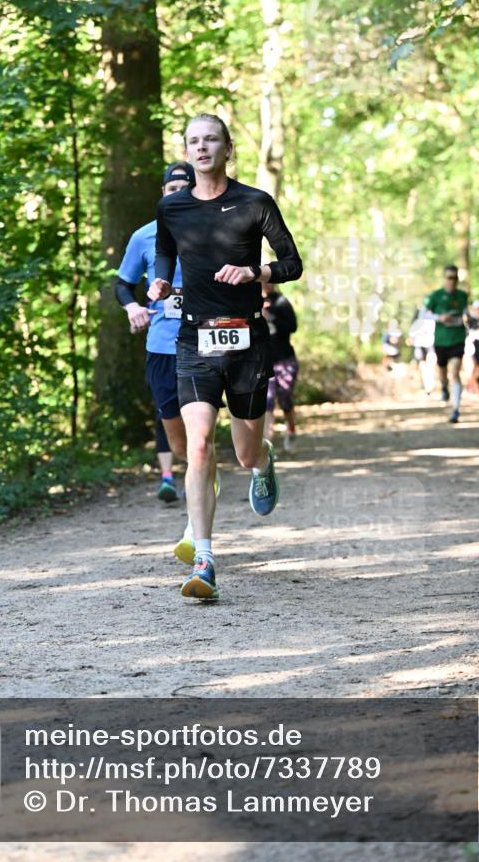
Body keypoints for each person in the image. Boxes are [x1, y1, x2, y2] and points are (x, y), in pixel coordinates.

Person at [148, 113, 303, 601]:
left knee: (243, 452)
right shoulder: (171, 207)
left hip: (247, 342)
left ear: (227, 147)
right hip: (193, 341)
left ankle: (263, 462)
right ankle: (205, 558)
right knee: (197, 447)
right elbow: (165, 253)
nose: (201, 148)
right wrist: (159, 280)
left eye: (210, 139)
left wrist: (256, 271)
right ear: (187, 149)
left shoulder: (254, 202)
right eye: (193, 141)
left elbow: (293, 263)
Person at [115, 162, 194, 506]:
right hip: (163, 345)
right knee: (178, 439)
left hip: (206, 342)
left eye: (185, 187)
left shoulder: (217, 230)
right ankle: (193, 470)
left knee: (202, 431)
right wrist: (132, 307)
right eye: (171, 189)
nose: (178, 194)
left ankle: (200, 503)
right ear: (162, 194)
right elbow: (123, 285)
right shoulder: (143, 236)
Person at [422, 264, 469, 423]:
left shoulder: (463, 295)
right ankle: (444, 386)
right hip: (441, 340)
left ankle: (455, 409)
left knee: (455, 372)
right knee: (443, 372)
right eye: (449, 278)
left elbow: (466, 313)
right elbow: (423, 314)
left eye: (455, 278)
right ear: (444, 278)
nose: (452, 281)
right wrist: (439, 318)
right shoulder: (435, 296)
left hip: (458, 338)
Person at [261, 284, 299, 451]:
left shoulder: (281, 301)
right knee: (267, 401)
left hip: (285, 359)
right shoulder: (252, 299)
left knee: (284, 397)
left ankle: (291, 428)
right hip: (264, 361)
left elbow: (293, 326)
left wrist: (270, 316)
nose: (266, 283)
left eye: (269, 280)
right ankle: (268, 445)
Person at [407, 307, 436, 395]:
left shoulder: (433, 321)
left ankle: (429, 385)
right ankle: (427, 386)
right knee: (424, 367)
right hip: (420, 346)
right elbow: (411, 338)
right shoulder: (417, 323)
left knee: (430, 366)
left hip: (430, 346)